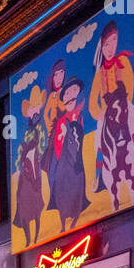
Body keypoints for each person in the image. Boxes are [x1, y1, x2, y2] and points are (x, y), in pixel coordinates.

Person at [88, 20, 134, 208]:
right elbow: (91, 103)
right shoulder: (99, 74)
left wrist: (122, 101)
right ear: (102, 46)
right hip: (107, 111)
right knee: (98, 139)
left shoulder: (123, 62)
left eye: (114, 41)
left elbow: (130, 84)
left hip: (123, 103)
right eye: (107, 44)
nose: (110, 47)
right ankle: (98, 177)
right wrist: (101, 114)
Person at [45, 78, 91, 230]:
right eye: (68, 93)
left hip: (76, 154)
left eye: (74, 91)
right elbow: (58, 144)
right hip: (62, 158)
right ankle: (55, 201)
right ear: (64, 99)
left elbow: (82, 137)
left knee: (81, 174)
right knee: (55, 177)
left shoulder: (79, 116)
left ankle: (81, 200)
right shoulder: (61, 121)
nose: (71, 96)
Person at [12, 84, 47, 246]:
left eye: (36, 109)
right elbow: (21, 146)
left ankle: (40, 202)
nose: (35, 113)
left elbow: (43, 142)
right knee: (20, 185)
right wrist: (24, 153)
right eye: (32, 110)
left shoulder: (41, 126)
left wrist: (36, 148)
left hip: (37, 158)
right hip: (26, 158)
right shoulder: (27, 129)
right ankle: (20, 212)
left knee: (39, 177)